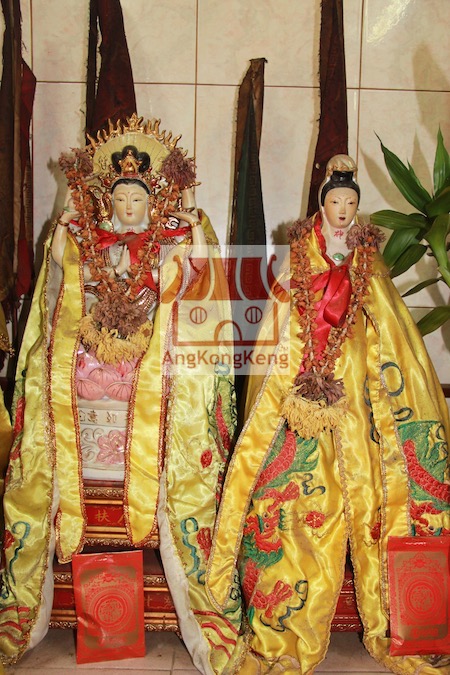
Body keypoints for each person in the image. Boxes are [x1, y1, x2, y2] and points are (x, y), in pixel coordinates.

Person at [0, 114, 241, 672]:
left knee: (168, 377)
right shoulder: (92, 239)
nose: (129, 206)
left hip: (147, 351)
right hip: (97, 348)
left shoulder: (167, 240)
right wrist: (66, 230)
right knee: (68, 372)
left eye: (138, 197)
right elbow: (62, 279)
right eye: (121, 197)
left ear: (152, 201)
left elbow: (194, 279)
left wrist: (189, 231)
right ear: (107, 199)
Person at [206, 155, 450, 674]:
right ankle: (287, 617)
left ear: (358, 208)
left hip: (359, 397)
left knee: (375, 484)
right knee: (287, 497)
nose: (342, 210)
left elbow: (390, 326)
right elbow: (279, 325)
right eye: (335, 201)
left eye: (350, 203)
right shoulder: (299, 260)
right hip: (300, 396)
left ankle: (391, 606)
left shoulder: (368, 262)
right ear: (322, 205)